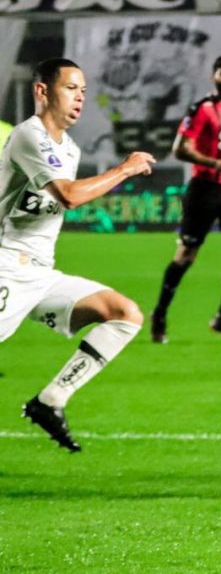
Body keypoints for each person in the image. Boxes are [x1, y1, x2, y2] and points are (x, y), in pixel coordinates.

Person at [0, 58, 155, 452]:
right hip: (4, 266)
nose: (80, 97)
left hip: (40, 275)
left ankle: (50, 401)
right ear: (42, 92)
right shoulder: (28, 136)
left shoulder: (69, 149)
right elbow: (68, 196)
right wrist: (125, 169)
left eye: (83, 90)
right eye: (71, 88)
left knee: (124, 313)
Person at [150, 56, 221, 344]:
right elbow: (180, 150)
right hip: (204, 190)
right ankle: (159, 314)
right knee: (185, 257)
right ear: (214, 77)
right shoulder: (201, 110)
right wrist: (216, 164)